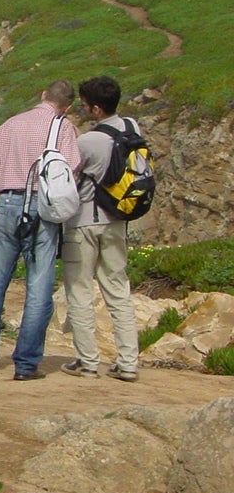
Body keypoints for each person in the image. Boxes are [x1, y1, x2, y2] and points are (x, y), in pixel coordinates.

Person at [0, 80, 81, 380]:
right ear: (67, 106)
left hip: (8, 203)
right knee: (39, 286)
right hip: (44, 209)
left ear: (42, 96)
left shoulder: (9, 125)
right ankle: (26, 364)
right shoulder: (64, 128)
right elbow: (72, 168)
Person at [60, 76, 141, 382]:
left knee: (80, 289)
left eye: (84, 106)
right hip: (117, 220)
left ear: (95, 109)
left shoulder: (86, 142)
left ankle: (88, 361)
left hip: (83, 222)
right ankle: (128, 362)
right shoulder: (132, 129)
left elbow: (69, 177)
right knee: (118, 290)